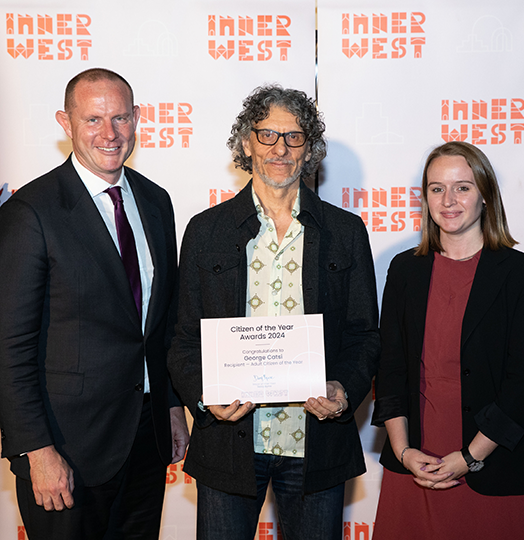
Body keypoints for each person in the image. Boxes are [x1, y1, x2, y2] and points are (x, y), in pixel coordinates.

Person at [167, 85, 380, 540]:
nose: (280, 149)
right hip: (229, 441)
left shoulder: (345, 232)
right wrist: (205, 398)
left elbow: (365, 335)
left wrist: (343, 389)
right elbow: (183, 339)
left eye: (294, 137)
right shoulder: (207, 231)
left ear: (310, 149)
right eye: (267, 135)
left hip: (316, 442)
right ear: (246, 143)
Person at [0, 68, 189, 540]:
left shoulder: (155, 200)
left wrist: (170, 407)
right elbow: (9, 346)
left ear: (138, 119)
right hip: (67, 449)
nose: (110, 134)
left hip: (145, 441)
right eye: (94, 120)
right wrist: (36, 451)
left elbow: (159, 323)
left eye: (121, 118)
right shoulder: (30, 213)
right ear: (65, 122)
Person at [371, 141, 524, 539]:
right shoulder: (404, 270)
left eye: (462, 187)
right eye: (436, 188)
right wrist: (404, 452)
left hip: (496, 467)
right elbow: (390, 368)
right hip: (414, 464)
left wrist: (468, 458)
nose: (448, 200)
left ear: (485, 194)